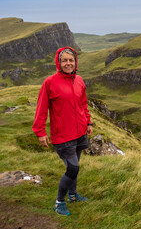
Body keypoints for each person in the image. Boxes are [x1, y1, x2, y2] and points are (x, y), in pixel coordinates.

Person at [32, 46, 93, 216]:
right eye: (64, 60)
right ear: (59, 62)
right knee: (72, 169)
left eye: (71, 60)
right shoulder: (50, 82)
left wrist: (88, 122)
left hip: (80, 132)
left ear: (75, 62)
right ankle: (59, 202)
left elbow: (83, 103)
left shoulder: (79, 80)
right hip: (63, 136)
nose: (68, 63)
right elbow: (41, 108)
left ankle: (73, 196)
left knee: (76, 166)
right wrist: (40, 132)